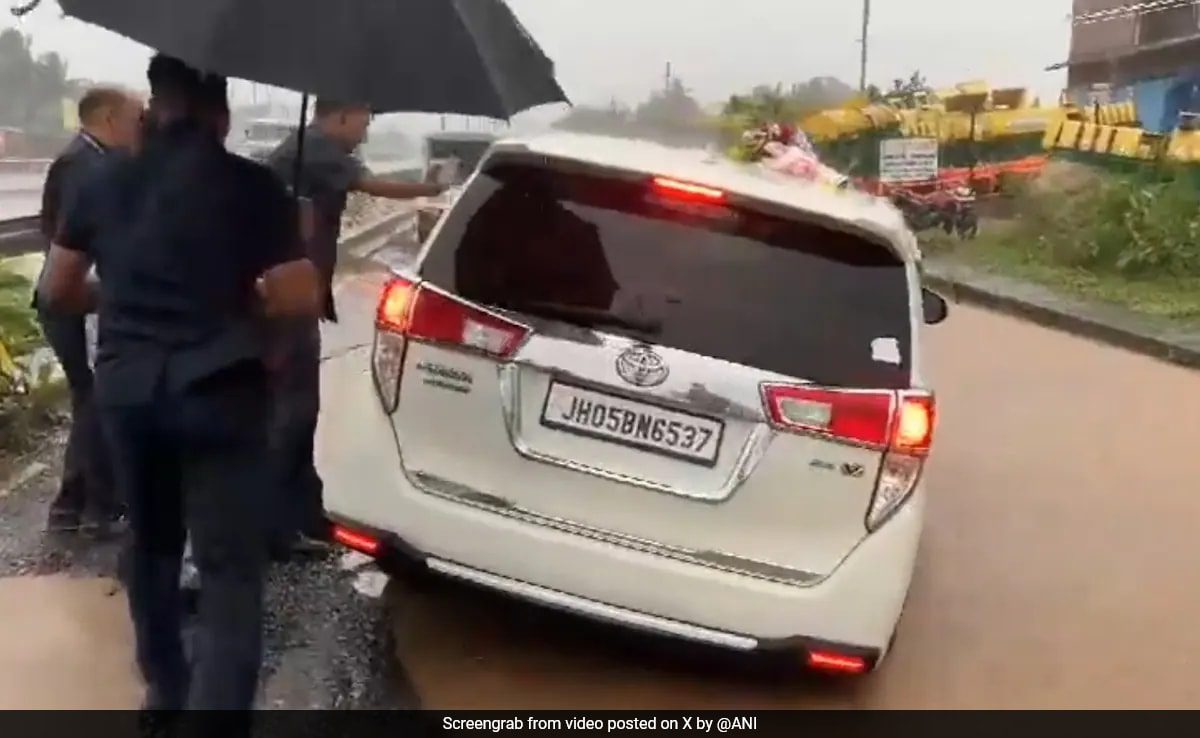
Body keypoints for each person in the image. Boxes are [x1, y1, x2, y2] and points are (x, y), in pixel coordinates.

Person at [38, 54, 321, 717]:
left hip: (131, 396)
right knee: (228, 574)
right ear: (220, 114)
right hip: (223, 394)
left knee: (154, 546)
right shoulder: (258, 188)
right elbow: (300, 296)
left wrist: (126, 297)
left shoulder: (100, 181)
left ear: (151, 107)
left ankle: (165, 691)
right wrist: (262, 289)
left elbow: (59, 289)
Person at [265, 100, 446, 556]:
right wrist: (432, 185)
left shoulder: (318, 149)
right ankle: (274, 525)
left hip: (298, 289)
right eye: (364, 121)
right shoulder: (317, 148)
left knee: (301, 410)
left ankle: (302, 514)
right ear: (340, 116)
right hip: (289, 296)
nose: (365, 131)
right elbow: (371, 185)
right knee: (292, 411)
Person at [36, 86, 142, 534]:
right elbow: (80, 239)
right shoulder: (86, 165)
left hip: (83, 293)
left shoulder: (90, 159)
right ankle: (95, 508)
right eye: (137, 120)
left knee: (91, 398)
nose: (142, 130)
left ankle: (73, 506)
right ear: (109, 118)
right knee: (97, 399)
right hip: (76, 297)